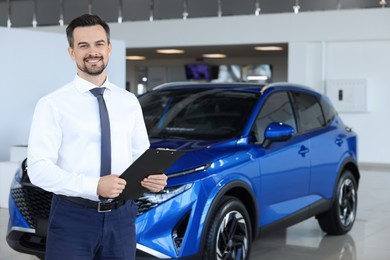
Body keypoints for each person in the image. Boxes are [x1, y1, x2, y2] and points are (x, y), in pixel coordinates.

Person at [27, 14, 167, 260]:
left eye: (99, 44)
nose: (93, 52)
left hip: (122, 218)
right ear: (72, 52)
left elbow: (141, 156)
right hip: (73, 217)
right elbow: (38, 169)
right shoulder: (52, 104)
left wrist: (153, 179)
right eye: (83, 45)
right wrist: (94, 186)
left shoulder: (128, 101)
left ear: (109, 48)